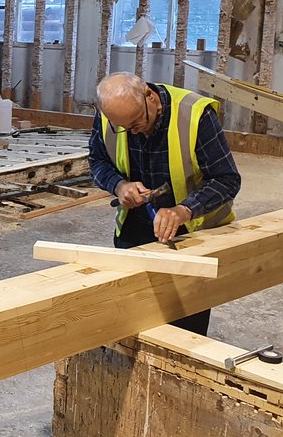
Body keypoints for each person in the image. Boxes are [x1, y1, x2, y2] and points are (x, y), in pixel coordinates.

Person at [88, 72, 242, 336]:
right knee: (133, 325)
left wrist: (185, 210)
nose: (133, 131)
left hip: (191, 237)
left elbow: (227, 180)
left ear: (150, 96)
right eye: (124, 127)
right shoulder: (112, 116)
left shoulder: (194, 115)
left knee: (184, 330)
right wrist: (119, 185)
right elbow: (97, 162)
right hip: (133, 232)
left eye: (137, 122)